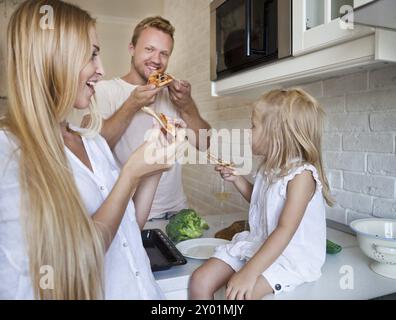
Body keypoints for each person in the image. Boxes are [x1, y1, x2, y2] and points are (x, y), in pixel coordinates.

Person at [0, 0, 186, 300]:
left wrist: (154, 167)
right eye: (92, 55)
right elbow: (64, 268)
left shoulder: (90, 141)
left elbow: (128, 228)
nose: (100, 71)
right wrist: (130, 174)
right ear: (53, 59)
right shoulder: (9, 152)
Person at [189, 89, 334, 300]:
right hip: (260, 243)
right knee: (200, 280)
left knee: (239, 295)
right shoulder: (269, 168)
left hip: (290, 257)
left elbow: (285, 229)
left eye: (253, 126)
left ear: (277, 134)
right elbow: (260, 202)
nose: (248, 132)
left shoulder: (302, 176)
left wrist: (249, 273)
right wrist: (237, 179)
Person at [93, 16, 211, 220]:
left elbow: (204, 143)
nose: (157, 60)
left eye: (164, 53)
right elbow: (96, 149)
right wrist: (132, 104)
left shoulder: (173, 94)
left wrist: (187, 105)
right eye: (149, 49)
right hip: (128, 214)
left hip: (177, 210)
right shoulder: (105, 91)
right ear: (131, 48)